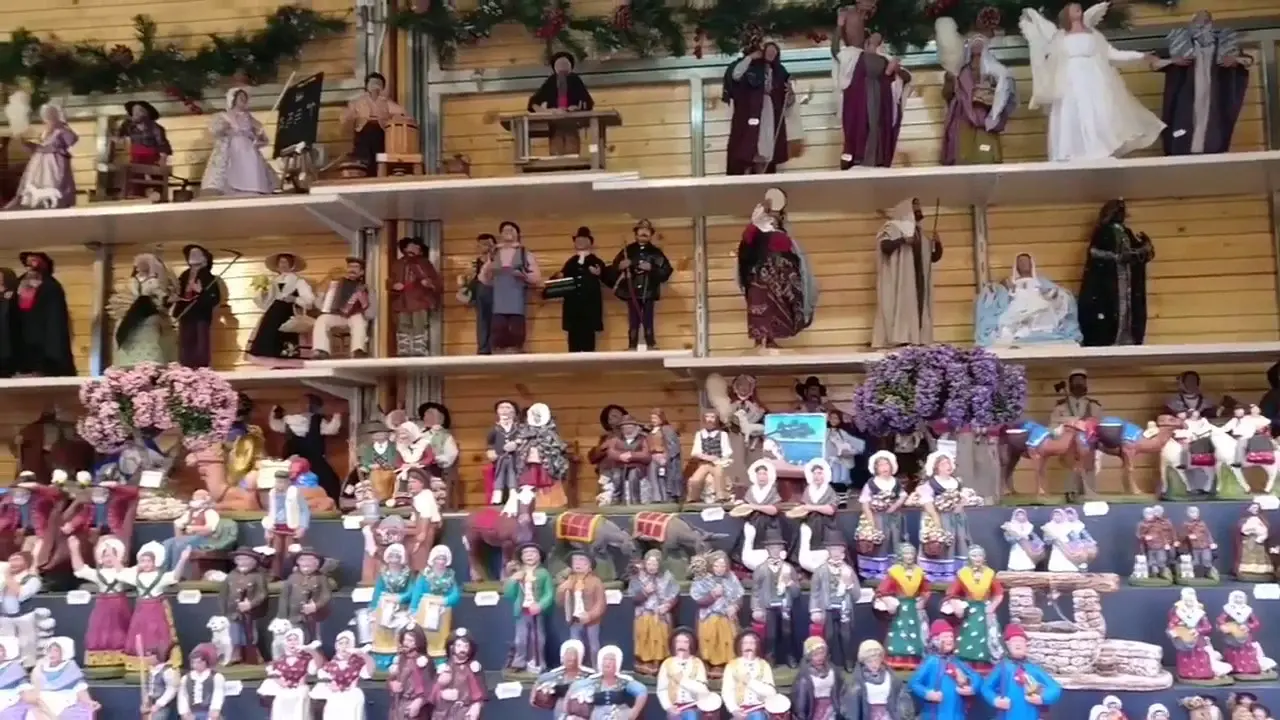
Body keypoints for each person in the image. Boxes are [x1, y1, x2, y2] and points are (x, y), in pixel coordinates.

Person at [1020, 2, 1165, 161]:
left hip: (1095, 79)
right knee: (1073, 112)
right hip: (1070, 81)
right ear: (1066, 14)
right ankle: (1073, 153)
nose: (1078, 9)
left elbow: (1112, 54)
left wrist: (1140, 56)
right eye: (1074, 8)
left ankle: (1100, 150)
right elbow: (1049, 59)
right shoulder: (1059, 37)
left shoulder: (1094, 34)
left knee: (1099, 111)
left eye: (1079, 7)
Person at [1157, 11, 1250, 156]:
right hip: (1187, 91)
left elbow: (1247, 60)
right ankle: (1182, 151)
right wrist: (1174, 61)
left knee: (1214, 120)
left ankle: (1213, 151)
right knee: (1184, 118)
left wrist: (1234, 60)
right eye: (1198, 22)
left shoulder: (1222, 44)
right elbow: (1154, 63)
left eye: (1205, 22)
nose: (1202, 26)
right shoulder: (1182, 45)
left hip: (1214, 88)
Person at [737, 195, 818, 351]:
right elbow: (745, 250)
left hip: (781, 284)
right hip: (760, 281)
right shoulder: (755, 232)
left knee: (778, 313)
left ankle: (771, 340)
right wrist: (756, 224)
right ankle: (760, 341)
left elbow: (795, 259)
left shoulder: (784, 235)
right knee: (760, 312)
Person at [833, 8, 911, 169]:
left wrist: (896, 71)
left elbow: (905, 78)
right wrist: (839, 27)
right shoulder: (853, 55)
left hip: (880, 97)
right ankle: (854, 159)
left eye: (878, 40)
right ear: (867, 40)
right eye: (873, 39)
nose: (875, 42)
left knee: (877, 126)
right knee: (858, 127)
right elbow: (835, 51)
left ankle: (877, 158)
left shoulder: (885, 59)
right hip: (858, 97)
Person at [937, 17, 1016, 165]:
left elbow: (1005, 92)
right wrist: (950, 81)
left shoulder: (994, 71)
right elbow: (947, 94)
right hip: (963, 119)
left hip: (985, 117)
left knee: (985, 156)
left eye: (981, 47)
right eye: (974, 46)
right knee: (963, 155)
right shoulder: (959, 71)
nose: (977, 50)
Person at [1078, 198, 1155, 347]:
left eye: (1122, 211)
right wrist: (1117, 257)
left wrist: (1145, 248)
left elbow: (1138, 254)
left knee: (1129, 310)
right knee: (1111, 309)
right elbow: (1096, 252)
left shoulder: (1127, 232)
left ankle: (1127, 337)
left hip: (1128, 280)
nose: (1121, 214)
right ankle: (1111, 338)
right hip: (1110, 280)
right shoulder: (1103, 232)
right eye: (1118, 211)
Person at [724, 34, 799, 175]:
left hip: (769, 110)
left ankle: (761, 175)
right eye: (769, 51)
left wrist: (790, 94)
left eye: (774, 52)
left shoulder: (779, 71)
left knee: (766, 145)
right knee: (748, 144)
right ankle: (745, 175)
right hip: (751, 110)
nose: (771, 54)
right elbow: (736, 75)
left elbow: (787, 100)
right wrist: (750, 58)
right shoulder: (751, 67)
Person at [873, 197, 942, 348]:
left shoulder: (920, 234)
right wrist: (903, 240)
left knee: (918, 308)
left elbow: (933, 257)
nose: (919, 210)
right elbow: (885, 247)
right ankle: (901, 337)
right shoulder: (893, 227)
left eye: (919, 206)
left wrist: (937, 244)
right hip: (901, 280)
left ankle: (917, 338)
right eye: (915, 206)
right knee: (900, 307)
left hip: (918, 281)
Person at [975, 252, 1081, 347]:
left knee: (1044, 308)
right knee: (1011, 316)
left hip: (1037, 299)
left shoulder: (1041, 282)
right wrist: (1009, 289)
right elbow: (1005, 295)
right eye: (1021, 262)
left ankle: (1041, 331)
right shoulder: (1009, 282)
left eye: (1026, 262)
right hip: (1018, 301)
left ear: (1031, 264)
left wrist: (1050, 294)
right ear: (1016, 265)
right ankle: (1017, 332)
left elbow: (1052, 293)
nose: (1024, 265)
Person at [605, 219, 673, 351]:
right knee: (633, 320)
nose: (644, 233)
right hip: (632, 291)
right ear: (636, 234)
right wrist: (620, 266)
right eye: (641, 230)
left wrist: (652, 268)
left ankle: (650, 343)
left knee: (648, 318)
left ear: (651, 234)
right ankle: (632, 344)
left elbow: (666, 271)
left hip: (649, 290)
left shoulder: (656, 253)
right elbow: (612, 270)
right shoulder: (627, 251)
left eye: (647, 231)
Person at [478, 221, 542, 354]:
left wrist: (523, 276)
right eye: (505, 230)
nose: (508, 232)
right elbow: (483, 278)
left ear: (518, 234)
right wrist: (490, 270)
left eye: (511, 230)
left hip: (516, 299)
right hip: (499, 300)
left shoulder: (525, 253)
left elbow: (536, 278)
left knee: (516, 330)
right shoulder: (494, 253)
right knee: (498, 330)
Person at [201, 87, 277, 196]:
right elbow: (214, 130)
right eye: (240, 97)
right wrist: (224, 127)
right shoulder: (224, 115)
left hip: (248, 147)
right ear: (233, 99)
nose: (243, 100)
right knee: (232, 166)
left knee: (252, 165)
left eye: (245, 98)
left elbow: (261, 135)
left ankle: (253, 186)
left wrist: (259, 135)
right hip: (233, 145)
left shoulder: (249, 118)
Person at [12, 251, 75, 377]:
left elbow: (56, 318)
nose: (31, 264)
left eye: (35, 260)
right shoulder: (18, 284)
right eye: (28, 261)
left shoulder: (51, 286)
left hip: (43, 337)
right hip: (20, 334)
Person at [980, 625, 1063, 718]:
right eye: (1014, 641)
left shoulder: (1033, 669)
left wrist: (1042, 698)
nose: (1018, 644)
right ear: (1008, 644)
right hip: (1008, 715)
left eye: (1021, 641)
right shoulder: (1002, 667)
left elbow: (1054, 687)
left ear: (1026, 646)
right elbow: (986, 688)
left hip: (1029, 714)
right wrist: (995, 700)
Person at [246, 253, 314, 365]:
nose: (282, 265)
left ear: (291, 264)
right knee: (270, 337)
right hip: (273, 313)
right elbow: (267, 301)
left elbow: (309, 300)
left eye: (285, 262)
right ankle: (273, 362)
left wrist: (294, 299)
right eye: (280, 262)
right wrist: (264, 292)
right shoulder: (274, 281)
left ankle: (289, 363)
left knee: (288, 337)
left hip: (289, 312)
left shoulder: (298, 281)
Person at [111, 252, 177, 367]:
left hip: (149, 314)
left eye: (144, 264)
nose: (140, 266)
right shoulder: (132, 281)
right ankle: (126, 362)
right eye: (138, 264)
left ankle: (151, 362)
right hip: (131, 316)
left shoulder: (154, 281)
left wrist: (165, 300)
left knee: (151, 335)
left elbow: (161, 294)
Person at [7, 104, 78, 209]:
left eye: (48, 116)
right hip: (39, 160)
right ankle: (38, 201)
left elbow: (72, 140)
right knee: (34, 179)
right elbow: (42, 144)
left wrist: (56, 147)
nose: (46, 120)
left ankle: (56, 201)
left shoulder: (61, 130)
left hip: (54, 162)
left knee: (53, 179)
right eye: (46, 117)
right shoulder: (46, 131)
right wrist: (31, 145)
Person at [908, 620, 981, 720]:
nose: (950, 640)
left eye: (951, 637)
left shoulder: (956, 661)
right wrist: (928, 694)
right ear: (935, 639)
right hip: (936, 714)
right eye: (945, 637)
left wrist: (972, 688)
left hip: (957, 714)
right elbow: (913, 683)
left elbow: (976, 676)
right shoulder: (931, 661)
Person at [550, 226, 607, 353]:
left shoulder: (595, 261)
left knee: (588, 341)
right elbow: (559, 279)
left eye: (583, 240)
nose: (580, 242)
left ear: (590, 242)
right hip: (573, 307)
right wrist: (557, 276)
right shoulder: (571, 262)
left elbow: (608, 278)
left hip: (590, 307)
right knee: (573, 342)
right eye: (578, 240)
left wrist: (599, 274)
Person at [527, 52, 595, 156]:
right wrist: (546, 111)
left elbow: (587, 102)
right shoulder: (551, 81)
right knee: (556, 144)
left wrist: (577, 109)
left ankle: (573, 165)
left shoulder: (575, 80)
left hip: (572, 121)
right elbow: (533, 103)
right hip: (554, 122)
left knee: (571, 143)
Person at [341, 71, 410, 174]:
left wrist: (395, 118)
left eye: (378, 84)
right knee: (363, 146)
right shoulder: (358, 101)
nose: (375, 86)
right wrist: (351, 116)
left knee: (379, 148)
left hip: (379, 131)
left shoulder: (386, 102)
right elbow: (345, 116)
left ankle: (378, 166)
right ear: (366, 86)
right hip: (363, 130)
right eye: (372, 83)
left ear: (382, 87)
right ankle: (363, 163)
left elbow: (402, 112)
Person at [389, 236, 442, 358]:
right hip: (402, 300)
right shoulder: (398, 263)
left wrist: (429, 283)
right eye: (411, 246)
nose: (414, 249)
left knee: (419, 324)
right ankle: (404, 349)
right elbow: (390, 280)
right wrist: (393, 285)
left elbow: (435, 280)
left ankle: (419, 349)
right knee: (403, 324)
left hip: (420, 298)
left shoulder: (424, 263)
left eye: (416, 247)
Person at [312, 257, 374, 360]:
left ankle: (358, 350)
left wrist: (364, 305)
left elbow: (371, 313)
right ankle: (321, 350)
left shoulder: (367, 288)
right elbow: (321, 306)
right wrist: (321, 297)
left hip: (353, 316)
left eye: (356, 267)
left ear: (362, 272)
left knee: (359, 320)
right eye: (350, 267)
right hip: (336, 315)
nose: (352, 269)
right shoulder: (335, 284)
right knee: (321, 320)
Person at [172, 244, 223, 368]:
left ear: (204, 258)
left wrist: (201, 291)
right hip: (186, 312)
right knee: (185, 341)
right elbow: (178, 290)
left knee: (200, 342)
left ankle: (201, 367)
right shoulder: (184, 275)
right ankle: (186, 367)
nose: (193, 256)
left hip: (200, 313)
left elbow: (215, 299)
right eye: (191, 254)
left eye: (197, 254)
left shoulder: (209, 277)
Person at [840, 639, 914, 720]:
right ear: (863, 662)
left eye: (876, 660)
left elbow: (902, 699)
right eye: (869, 661)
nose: (874, 664)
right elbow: (849, 707)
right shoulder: (855, 682)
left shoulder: (892, 678)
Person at [28, 637, 100, 717]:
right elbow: (35, 689)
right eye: (49, 650)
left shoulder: (70, 667)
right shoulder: (40, 668)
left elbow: (80, 689)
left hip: (64, 699)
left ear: (64, 652)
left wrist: (88, 701)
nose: (52, 654)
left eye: (56, 651)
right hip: (42, 699)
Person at [115, 99, 173, 197]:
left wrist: (163, 159)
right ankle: (135, 195)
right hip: (134, 158)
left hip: (151, 158)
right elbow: (118, 138)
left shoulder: (155, 128)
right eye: (134, 111)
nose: (136, 113)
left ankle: (157, 194)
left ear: (146, 113)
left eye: (139, 111)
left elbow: (163, 145)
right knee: (133, 178)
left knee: (155, 177)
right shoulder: (129, 126)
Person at [313, 631, 373, 720]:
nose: (344, 646)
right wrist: (330, 685)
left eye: (347, 643)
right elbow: (323, 679)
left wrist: (363, 655)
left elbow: (369, 672)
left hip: (352, 697)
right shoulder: (330, 664)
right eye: (341, 643)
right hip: (335, 697)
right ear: (336, 646)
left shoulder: (358, 663)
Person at [459, 233, 496, 354]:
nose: (483, 247)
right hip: (481, 294)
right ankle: (484, 349)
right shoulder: (475, 263)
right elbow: (464, 278)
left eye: (487, 244)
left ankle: (494, 348)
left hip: (496, 293)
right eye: (480, 244)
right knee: (483, 321)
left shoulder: (498, 261)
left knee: (495, 321)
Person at [791, 637, 845, 720]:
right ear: (809, 656)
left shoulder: (833, 670)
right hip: (814, 711)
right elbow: (800, 704)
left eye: (822, 653)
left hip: (832, 710)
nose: (820, 657)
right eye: (815, 654)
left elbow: (841, 691)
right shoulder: (804, 678)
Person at [176, 644, 226, 720]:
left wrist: (215, 709)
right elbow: (183, 696)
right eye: (193, 663)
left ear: (205, 662)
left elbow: (218, 693)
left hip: (209, 712)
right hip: (192, 713)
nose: (196, 665)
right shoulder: (186, 678)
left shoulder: (216, 677)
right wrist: (184, 712)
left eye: (199, 662)